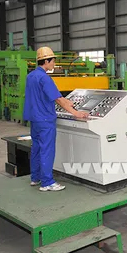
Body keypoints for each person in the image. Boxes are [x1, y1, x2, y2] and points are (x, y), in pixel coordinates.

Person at [23, 47, 89, 192]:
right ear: (46, 61)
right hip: (45, 120)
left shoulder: (31, 76)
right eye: (53, 61)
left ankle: (35, 178)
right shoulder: (45, 78)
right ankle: (47, 182)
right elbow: (57, 99)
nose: (54, 64)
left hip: (34, 119)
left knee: (36, 148)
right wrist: (76, 113)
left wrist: (67, 101)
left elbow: (47, 96)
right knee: (47, 150)